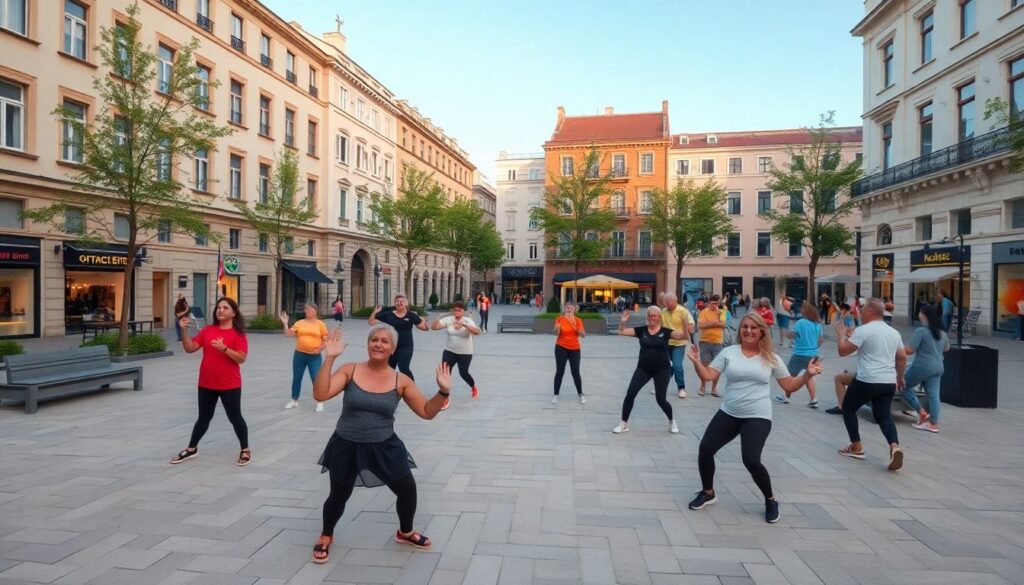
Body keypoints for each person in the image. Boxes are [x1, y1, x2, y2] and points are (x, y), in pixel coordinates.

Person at [310, 324, 451, 563]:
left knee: (407, 489)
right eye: (374, 339)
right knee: (338, 495)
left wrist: (443, 392)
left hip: (384, 446)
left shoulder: (401, 380)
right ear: (367, 344)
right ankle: (326, 535)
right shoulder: (350, 370)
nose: (378, 344)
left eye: (385, 341)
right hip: (347, 443)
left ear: (393, 349)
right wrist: (330, 358)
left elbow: (427, 412)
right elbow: (320, 394)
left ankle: (405, 532)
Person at [686, 312, 823, 523]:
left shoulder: (771, 358)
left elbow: (788, 386)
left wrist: (807, 375)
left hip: (757, 416)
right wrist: (696, 362)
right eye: (745, 327)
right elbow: (708, 376)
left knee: (750, 459)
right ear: (740, 330)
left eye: (753, 327)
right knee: (705, 449)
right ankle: (708, 492)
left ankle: (770, 500)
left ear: (761, 332)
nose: (749, 330)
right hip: (729, 412)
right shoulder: (729, 352)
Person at [170, 297, 250, 466]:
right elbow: (190, 348)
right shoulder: (208, 330)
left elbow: (241, 358)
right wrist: (183, 330)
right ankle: (192, 448)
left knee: (235, 418)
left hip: (230, 385)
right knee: (203, 418)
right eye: (218, 307)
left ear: (234, 313)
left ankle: (245, 449)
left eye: (225, 308)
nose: (220, 310)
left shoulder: (238, 334)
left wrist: (225, 348)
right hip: (206, 383)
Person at [833, 298, 907, 470]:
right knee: (884, 416)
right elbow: (902, 357)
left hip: (868, 379)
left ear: (871, 311)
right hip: (888, 381)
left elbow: (843, 352)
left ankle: (856, 446)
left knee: (848, 408)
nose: (860, 312)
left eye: (863, 309)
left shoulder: (863, 330)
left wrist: (841, 335)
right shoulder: (893, 332)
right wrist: (899, 376)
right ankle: (894, 447)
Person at [613, 307, 688, 434]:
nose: (652, 318)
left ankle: (671, 421)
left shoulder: (666, 331)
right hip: (643, 369)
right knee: (630, 393)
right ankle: (624, 423)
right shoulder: (641, 330)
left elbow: (684, 336)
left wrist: (685, 323)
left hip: (662, 370)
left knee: (661, 399)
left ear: (659, 318)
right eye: (650, 316)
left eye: (655, 316)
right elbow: (621, 331)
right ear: (647, 317)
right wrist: (623, 321)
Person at [900, 304, 949, 433]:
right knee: (934, 395)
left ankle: (921, 412)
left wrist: (898, 346)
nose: (919, 314)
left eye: (920, 312)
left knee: (902, 385)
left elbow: (910, 350)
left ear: (923, 315)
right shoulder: (942, 332)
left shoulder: (921, 331)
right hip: (938, 366)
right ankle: (933, 424)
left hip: (923, 365)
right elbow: (946, 348)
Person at [430, 301, 481, 409]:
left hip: (465, 352)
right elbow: (434, 327)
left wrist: (465, 325)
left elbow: (477, 332)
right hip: (449, 351)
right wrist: (437, 319)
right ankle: (445, 398)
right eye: (456, 310)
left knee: (463, 373)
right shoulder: (449, 320)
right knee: (445, 374)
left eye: (460, 310)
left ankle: (473, 387)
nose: (457, 312)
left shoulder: (468, 321)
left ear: (463, 311)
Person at [281, 303, 329, 412]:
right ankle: (294, 400)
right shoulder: (299, 323)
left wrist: (319, 349)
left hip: (314, 357)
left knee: (315, 379)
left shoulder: (320, 324)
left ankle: (320, 401)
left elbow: (326, 340)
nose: (306, 311)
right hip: (299, 355)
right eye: (306, 309)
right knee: (297, 378)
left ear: (315, 311)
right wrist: (285, 324)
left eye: (309, 309)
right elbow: (288, 334)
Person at [776, 303, 823, 408]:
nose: (800, 311)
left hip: (800, 354)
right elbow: (820, 341)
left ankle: (786, 396)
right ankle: (813, 400)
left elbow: (792, 335)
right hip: (814, 355)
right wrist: (814, 348)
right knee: (809, 376)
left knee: (790, 375)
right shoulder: (818, 325)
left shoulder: (800, 322)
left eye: (802, 309)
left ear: (805, 311)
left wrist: (787, 334)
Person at [370, 295, 428, 380]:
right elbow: (371, 322)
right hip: (391, 346)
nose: (399, 302)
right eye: (397, 301)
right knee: (389, 368)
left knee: (404, 369)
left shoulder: (411, 315)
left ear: (406, 303)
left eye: (402, 301)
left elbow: (425, 328)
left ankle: (411, 386)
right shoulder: (388, 314)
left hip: (406, 346)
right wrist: (375, 312)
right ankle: (389, 388)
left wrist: (421, 321)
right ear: (395, 303)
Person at [660, 293, 695, 399]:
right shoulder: (663, 311)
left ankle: (681, 387)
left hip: (679, 344)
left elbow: (692, 327)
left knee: (677, 365)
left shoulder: (683, 311)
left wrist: (687, 326)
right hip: (666, 343)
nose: (665, 303)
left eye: (667, 302)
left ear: (674, 301)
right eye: (664, 302)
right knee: (666, 366)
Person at [552, 302, 586, 404]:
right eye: (567, 307)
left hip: (575, 349)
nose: (569, 309)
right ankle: (556, 395)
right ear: (564, 309)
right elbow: (555, 333)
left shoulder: (578, 320)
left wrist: (576, 328)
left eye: (571, 308)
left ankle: (580, 394)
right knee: (560, 371)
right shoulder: (559, 319)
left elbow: (583, 335)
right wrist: (557, 328)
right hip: (561, 347)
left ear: (574, 309)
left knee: (575, 372)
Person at [697, 295, 727, 397]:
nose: (715, 305)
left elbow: (723, 324)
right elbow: (701, 325)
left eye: (717, 303)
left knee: (717, 367)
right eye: (713, 303)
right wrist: (716, 323)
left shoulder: (721, 312)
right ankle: (702, 386)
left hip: (718, 342)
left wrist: (709, 323)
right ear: (709, 303)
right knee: (705, 366)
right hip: (704, 341)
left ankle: (714, 388)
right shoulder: (703, 312)